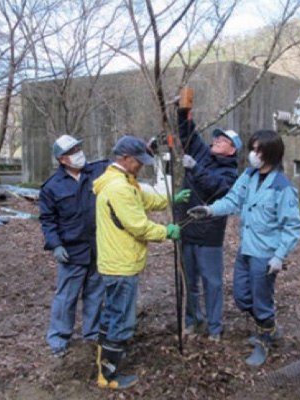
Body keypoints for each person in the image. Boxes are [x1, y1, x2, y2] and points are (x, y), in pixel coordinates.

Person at [188, 129, 300, 366]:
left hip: (266, 254)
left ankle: (264, 341)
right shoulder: (248, 176)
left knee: (261, 300)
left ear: (270, 153)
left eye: (257, 150)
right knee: (241, 297)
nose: (252, 154)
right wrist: (210, 210)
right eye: (252, 148)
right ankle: (269, 326)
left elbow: (292, 226)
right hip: (246, 250)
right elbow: (232, 200)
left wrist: (279, 256)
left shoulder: (282, 187)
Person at [92, 135, 189, 389]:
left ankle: (104, 364)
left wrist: (172, 198)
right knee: (121, 320)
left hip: (118, 262)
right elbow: (139, 226)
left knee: (113, 313)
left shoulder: (125, 181)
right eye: (138, 161)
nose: (141, 166)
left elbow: (146, 201)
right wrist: (166, 232)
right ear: (124, 158)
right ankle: (109, 375)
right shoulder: (119, 188)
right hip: (121, 264)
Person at [38, 134, 109, 358]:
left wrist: (146, 147)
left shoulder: (97, 172)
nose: (79, 153)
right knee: (66, 298)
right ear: (62, 159)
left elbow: (122, 163)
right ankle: (59, 339)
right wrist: (55, 245)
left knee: (96, 294)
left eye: (79, 148)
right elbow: (48, 220)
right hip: (72, 251)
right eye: (72, 151)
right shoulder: (52, 187)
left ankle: (93, 333)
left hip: (98, 248)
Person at [175, 107, 241, 342]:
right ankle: (193, 321)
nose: (216, 141)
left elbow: (217, 188)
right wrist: (183, 113)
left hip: (209, 235)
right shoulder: (203, 154)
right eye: (216, 138)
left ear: (232, 149)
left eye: (222, 140)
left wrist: (195, 168)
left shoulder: (231, 172)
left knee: (211, 283)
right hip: (186, 227)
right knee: (189, 282)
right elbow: (189, 135)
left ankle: (215, 328)